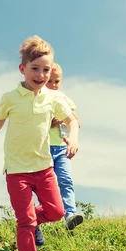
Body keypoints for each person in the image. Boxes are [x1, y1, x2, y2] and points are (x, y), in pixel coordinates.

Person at [0, 36, 79, 251]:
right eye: (35, 69)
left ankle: (32, 221)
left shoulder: (53, 98)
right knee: (25, 221)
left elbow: (71, 120)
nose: (41, 75)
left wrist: (72, 138)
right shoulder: (10, 97)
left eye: (46, 70)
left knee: (56, 212)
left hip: (44, 167)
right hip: (17, 171)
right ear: (23, 69)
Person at [46, 63, 84, 231]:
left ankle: (70, 214)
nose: (53, 85)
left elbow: (77, 122)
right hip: (43, 148)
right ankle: (46, 215)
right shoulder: (38, 99)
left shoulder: (64, 99)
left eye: (57, 81)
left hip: (61, 148)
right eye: (50, 81)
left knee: (65, 180)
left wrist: (62, 118)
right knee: (46, 185)